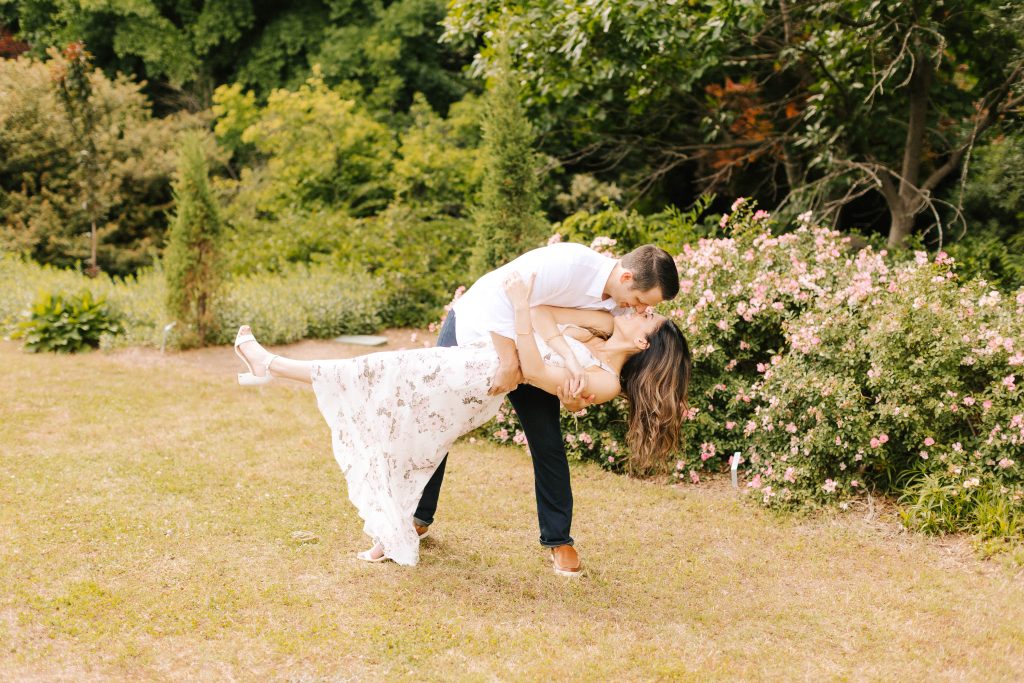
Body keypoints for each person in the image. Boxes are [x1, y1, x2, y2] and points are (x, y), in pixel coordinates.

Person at [232, 271, 691, 569]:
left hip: (478, 375)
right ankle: (400, 528)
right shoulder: (603, 326)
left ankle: (267, 364)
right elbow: (543, 313)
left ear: (645, 346)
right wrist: (549, 339)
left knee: (374, 379)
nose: (641, 312)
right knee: (401, 419)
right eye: (647, 308)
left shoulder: (606, 379)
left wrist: (519, 318)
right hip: (477, 362)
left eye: (648, 319)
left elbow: (530, 367)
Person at [414, 242, 681, 576]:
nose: (638, 310)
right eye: (641, 301)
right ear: (627, 277)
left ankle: (558, 540)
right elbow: (503, 295)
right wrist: (510, 360)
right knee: (439, 424)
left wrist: (573, 400)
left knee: (548, 442)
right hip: (476, 325)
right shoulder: (569, 263)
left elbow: (592, 359)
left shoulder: (617, 312)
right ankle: (418, 517)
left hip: (534, 356)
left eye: (645, 309)